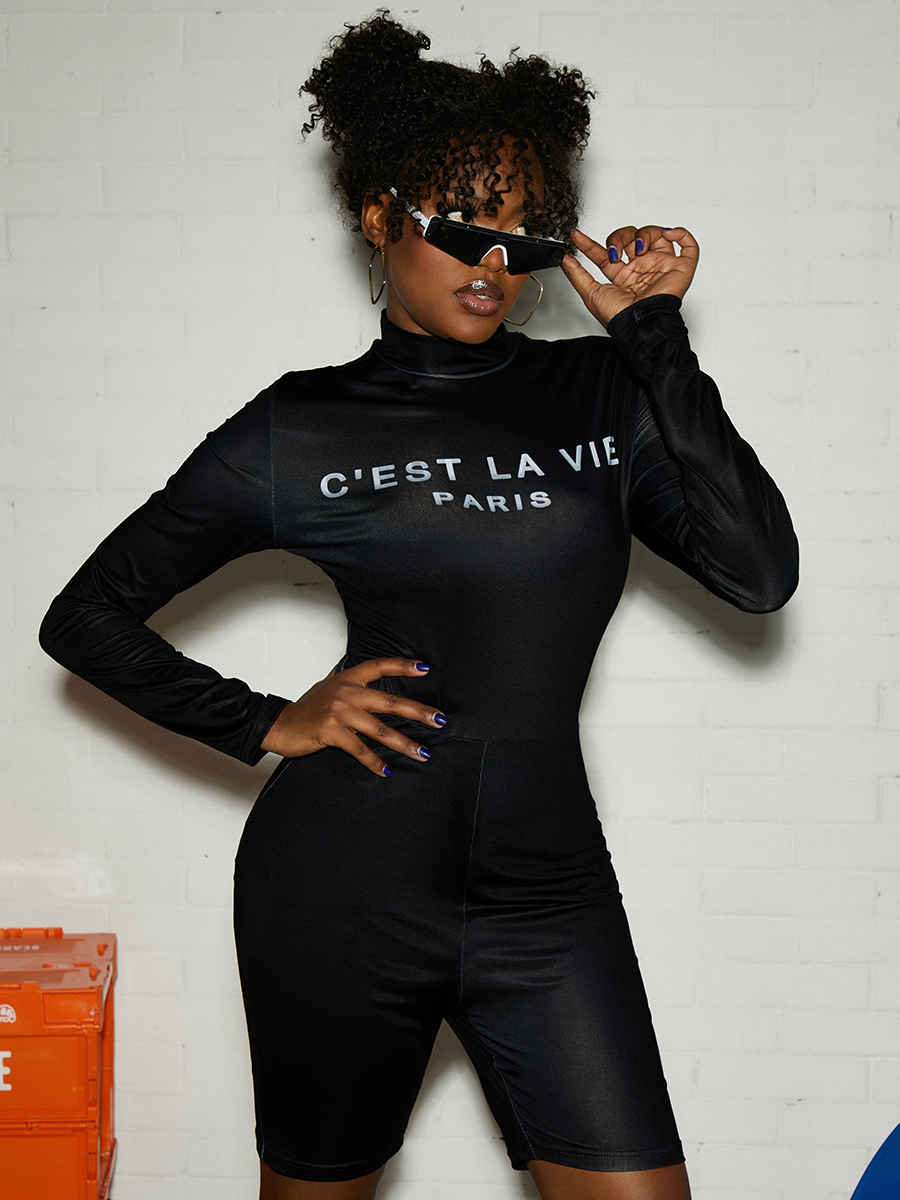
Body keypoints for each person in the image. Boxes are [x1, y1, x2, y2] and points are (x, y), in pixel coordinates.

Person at [39, 12, 799, 1200]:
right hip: (343, 888)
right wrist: (264, 719)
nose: (492, 265)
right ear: (378, 217)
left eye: (522, 237)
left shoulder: (601, 392)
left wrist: (654, 338)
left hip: (548, 895)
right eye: (458, 227)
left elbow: (758, 573)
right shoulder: (302, 427)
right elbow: (84, 615)